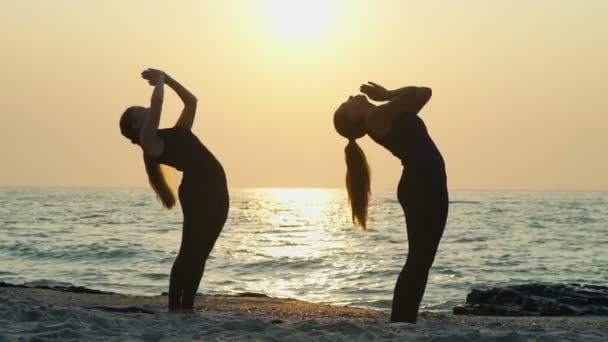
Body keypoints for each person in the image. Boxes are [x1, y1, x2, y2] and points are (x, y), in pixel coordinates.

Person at [333, 82, 448, 323]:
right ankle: (402, 322)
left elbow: (425, 93)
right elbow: (417, 93)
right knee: (419, 260)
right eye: (346, 103)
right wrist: (386, 95)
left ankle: (404, 320)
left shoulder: (385, 115)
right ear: (352, 117)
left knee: (421, 260)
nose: (350, 96)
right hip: (422, 186)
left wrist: (388, 97)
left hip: (424, 185)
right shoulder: (375, 116)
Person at [119, 68, 229, 312]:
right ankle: (174, 307)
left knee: (201, 252)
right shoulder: (149, 141)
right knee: (189, 249)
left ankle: (186, 307)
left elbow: (191, 101)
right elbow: (157, 102)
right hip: (199, 191)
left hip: (217, 188)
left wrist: (167, 79)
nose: (145, 108)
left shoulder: (176, 132)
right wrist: (159, 81)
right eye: (140, 110)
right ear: (137, 125)